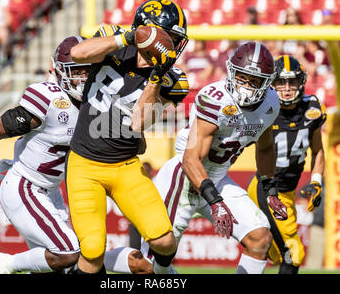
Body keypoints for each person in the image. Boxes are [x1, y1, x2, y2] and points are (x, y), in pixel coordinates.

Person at [104, 41, 289, 274]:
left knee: (260, 239)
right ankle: (88, 261)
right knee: (150, 267)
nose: (246, 87)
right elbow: (192, 159)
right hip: (183, 178)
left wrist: (269, 187)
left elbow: (265, 146)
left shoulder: (270, 103)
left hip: (218, 178)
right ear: (232, 72)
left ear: (267, 83)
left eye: (254, 81)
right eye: (242, 78)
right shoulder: (216, 99)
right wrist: (216, 201)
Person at [0, 36, 91, 274]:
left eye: (89, 71)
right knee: (68, 252)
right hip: (25, 187)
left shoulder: (95, 101)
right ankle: (5, 263)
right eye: (78, 72)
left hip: (50, 192)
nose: (84, 79)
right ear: (62, 72)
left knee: (58, 267)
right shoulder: (51, 100)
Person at [65, 0, 190, 274]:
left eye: (175, 39)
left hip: (125, 166)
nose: (172, 45)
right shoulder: (112, 39)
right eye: (168, 37)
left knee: (166, 241)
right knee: (93, 251)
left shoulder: (174, 80)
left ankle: (162, 274)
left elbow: (138, 123)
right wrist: (129, 38)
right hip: (85, 164)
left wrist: (157, 76)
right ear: (149, 31)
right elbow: (78, 53)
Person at [247, 55, 326, 274]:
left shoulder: (312, 108)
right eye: (281, 82)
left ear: (302, 81)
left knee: (265, 248)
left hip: (288, 193)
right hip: (267, 188)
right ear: (272, 83)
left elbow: (318, 149)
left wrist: (317, 180)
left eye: (292, 81)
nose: (287, 88)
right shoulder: (264, 108)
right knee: (293, 252)